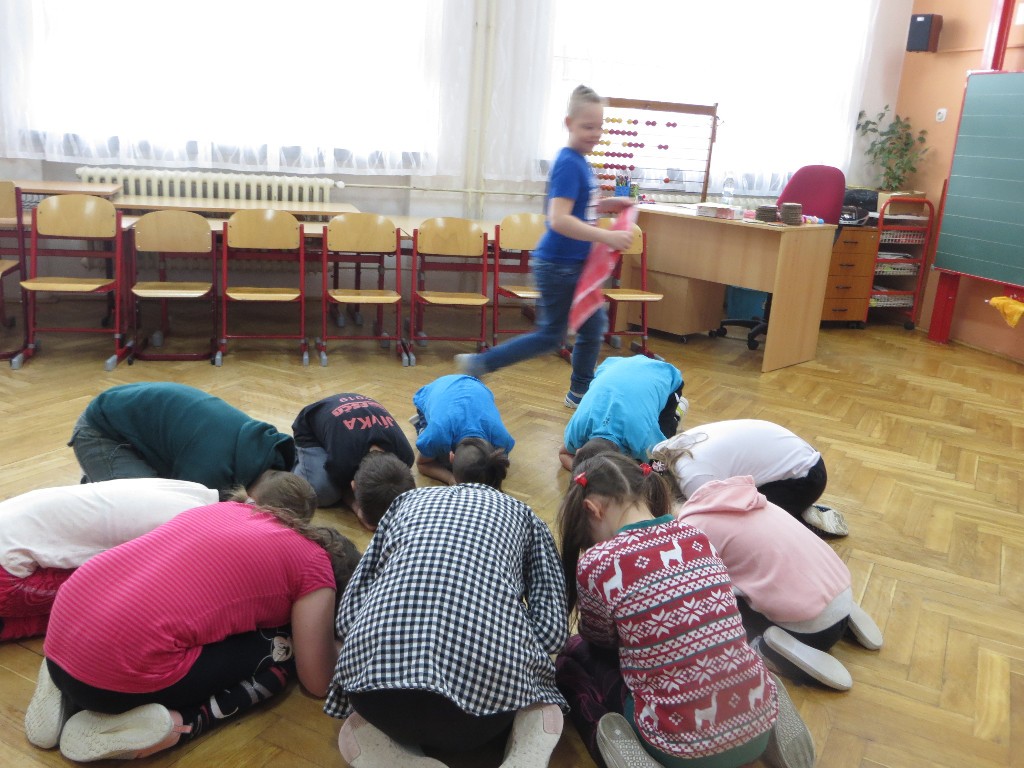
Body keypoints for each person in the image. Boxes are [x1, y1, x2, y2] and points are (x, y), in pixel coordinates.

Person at [25, 473, 361, 763]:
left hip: (64, 628)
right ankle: (175, 725)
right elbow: (317, 682)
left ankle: (59, 686)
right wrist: (337, 643)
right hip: (113, 678)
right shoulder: (313, 563)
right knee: (283, 653)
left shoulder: (225, 509)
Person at [555, 452, 815, 768]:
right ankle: (770, 701)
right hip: (756, 719)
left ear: (592, 509)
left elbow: (599, 640)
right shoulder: (696, 535)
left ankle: (626, 749)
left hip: (677, 750)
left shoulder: (598, 561)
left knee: (571, 659)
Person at [324, 481, 568, 768]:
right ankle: (526, 745)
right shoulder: (526, 516)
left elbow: (348, 615)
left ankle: (383, 744)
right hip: (479, 723)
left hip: (375, 701)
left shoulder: (405, 502)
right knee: (535, 692)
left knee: (368, 710)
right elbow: (552, 633)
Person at [455, 84, 635, 408]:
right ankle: (482, 364)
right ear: (569, 124)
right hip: (559, 266)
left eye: (599, 127)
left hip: (572, 265)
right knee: (552, 335)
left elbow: (581, 208)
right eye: (587, 127)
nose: (595, 134)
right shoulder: (569, 162)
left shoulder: (580, 162)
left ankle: (579, 392)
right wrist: (607, 237)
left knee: (593, 325)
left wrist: (608, 205)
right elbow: (559, 219)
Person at [670, 475, 883, 691]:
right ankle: (841, 611)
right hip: (840, 590)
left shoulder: (689, 533)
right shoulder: (734, 497)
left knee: (711, 605)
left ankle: (770, 647)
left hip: (810, 633)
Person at [0, 478, 217, 642]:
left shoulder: (196, 491)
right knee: (112, 602)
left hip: (9, 531)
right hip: (5, 572)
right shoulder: (193, 525)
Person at [70, 382, 296, 496]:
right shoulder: (209, 471)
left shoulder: (272, 449)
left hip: (131, 413)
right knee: (150, 513)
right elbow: (183, 526)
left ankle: (104, 481)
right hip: (101, 430)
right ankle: (100, 482)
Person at [651, 418, 850, 536]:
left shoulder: (696, 481)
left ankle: (798, 521)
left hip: (806, 478)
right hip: (797, 452)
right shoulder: (661, 451)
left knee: (737, 526)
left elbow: (712, 523)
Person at [291, 393, 415, 526]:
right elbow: (344, 490)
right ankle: (292, 455)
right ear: (352, 485)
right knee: (324, 494)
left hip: (350, 405)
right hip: (309, 425)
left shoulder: (406, 455)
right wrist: (355, 507)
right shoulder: (342, 464)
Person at [559, 356, 686, 470]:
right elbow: (563, 453)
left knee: (658, 463)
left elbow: (663, 467)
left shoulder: (643, 440)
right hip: (614, 366)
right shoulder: (576, 432)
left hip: (664, 374)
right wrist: (581, 473)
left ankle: (677, 412)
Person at [410, 374, 515, 485]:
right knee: (438, 454)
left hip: (475, 386)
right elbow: (422, 464)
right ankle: (422, 428)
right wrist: (450, 478)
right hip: (432, 392)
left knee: (468, 465)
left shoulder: (502, 441)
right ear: (451, 457)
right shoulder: (439, 434)